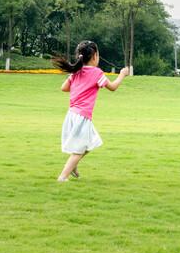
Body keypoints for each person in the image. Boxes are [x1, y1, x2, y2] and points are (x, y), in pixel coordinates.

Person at [52, 40, 129, 182]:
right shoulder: (96, 73)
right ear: (94, 56)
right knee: (81, 149)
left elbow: (64, 88)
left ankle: (73, 164)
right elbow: (112, 87)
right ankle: (63, 177)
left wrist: (76, 82)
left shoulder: (76, 72)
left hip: (72, 114)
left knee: (92, 142)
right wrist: (122, 74)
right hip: (82, 116)